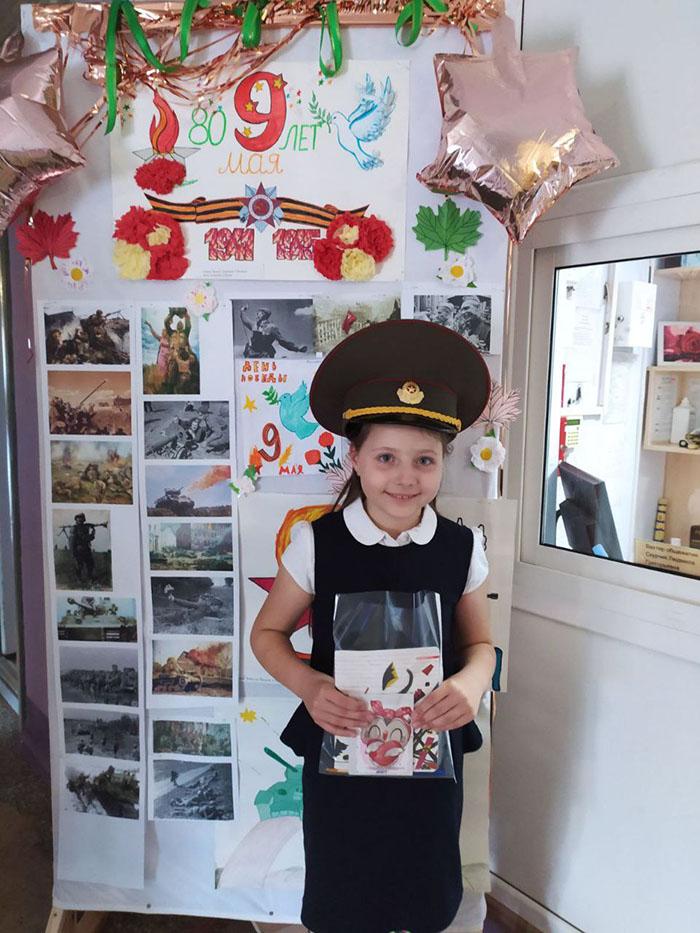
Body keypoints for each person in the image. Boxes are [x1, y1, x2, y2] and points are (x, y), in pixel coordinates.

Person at [250, 319, 496, 933]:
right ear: (355, 459)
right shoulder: (317, 543)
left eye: (424, 460)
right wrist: (310, 687)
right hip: (342, 749)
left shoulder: (462, 548)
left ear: (442, 464)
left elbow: (481, 645)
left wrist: (471, 685)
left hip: (430, 752)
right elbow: (267, 635)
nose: (405, 477)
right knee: (344, 887)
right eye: (386, 458)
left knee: (424, 885)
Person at [239, 305, 308, 358]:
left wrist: (297, 349)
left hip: (264, 356)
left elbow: (283, 342)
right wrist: (242, 311)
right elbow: (245, 320)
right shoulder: (254, 325)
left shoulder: (272, 328)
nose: (257, 314)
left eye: (258, 313)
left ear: (263, 314)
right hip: (252, 355)